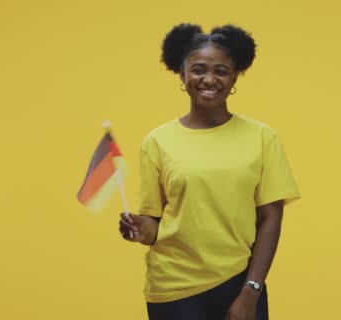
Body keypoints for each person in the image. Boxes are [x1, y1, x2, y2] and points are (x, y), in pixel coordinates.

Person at [118, 23, 300, 320]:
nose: (209, 79)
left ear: (235, 77)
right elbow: (153, 224)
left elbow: (270, 219)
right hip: (173, 289)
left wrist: (251, 291)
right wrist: (139, 229)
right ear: (182, 74)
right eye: (199, 69)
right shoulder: (157, 142)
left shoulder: (262, 138)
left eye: (221, 71)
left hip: (239, 281)